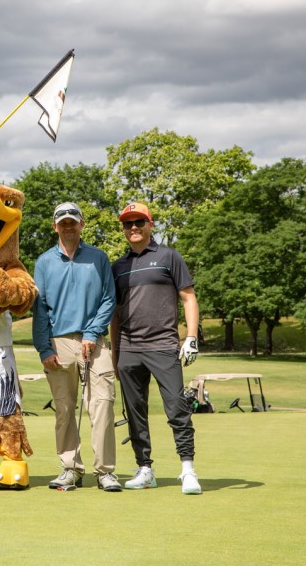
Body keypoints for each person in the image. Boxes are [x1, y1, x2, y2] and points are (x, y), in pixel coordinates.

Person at [110, 202, 202, 495]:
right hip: (128, 348)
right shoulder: (118, 267)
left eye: (139, 222)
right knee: (136, 412)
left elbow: (188, 298)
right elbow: (114, 313)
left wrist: (190, 337)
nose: (133, 228)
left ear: (151, 224)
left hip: (163, 345)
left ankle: (187, 469)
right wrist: (114, 353)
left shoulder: (168, 257)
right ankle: (145, 468)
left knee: (177, 408)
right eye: (128, 223)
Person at [32, 202, 121, 492]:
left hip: (95, 342)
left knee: (103, 405)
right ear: (54, 226)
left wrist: (93, 333)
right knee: (65, 408)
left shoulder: (98, 257)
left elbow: (109, 299)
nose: (68, 226)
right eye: (63, 222)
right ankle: (71, 468)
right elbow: (40, 308)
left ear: (81, 224)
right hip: (58, 343)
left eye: (73, 221)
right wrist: (44, 348)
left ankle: (105, 472)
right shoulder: (44, 261)